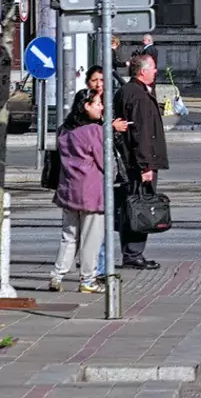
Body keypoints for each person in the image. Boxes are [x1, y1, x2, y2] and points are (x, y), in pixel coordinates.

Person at [48, 91, 107, 294]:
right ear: (86, 106)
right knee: (91, 238)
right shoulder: (94, 131)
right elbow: (104, 161)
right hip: (91, 192)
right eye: (97, 104)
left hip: (68, 189)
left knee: (69, 236)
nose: (101, 107)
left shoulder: (64, 130)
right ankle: (88, 279)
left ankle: (57, 275)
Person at [113, 54, 168, 270]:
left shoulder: (127, 91)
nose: (155, 71)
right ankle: (134, 253)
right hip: (138, 163)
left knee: (130, 205)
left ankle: (131, 253)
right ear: (143, 71)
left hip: (130, 160)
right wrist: (146, 165)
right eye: (153, 67)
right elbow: (142, 133)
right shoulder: (139, 96)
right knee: (140, 207)